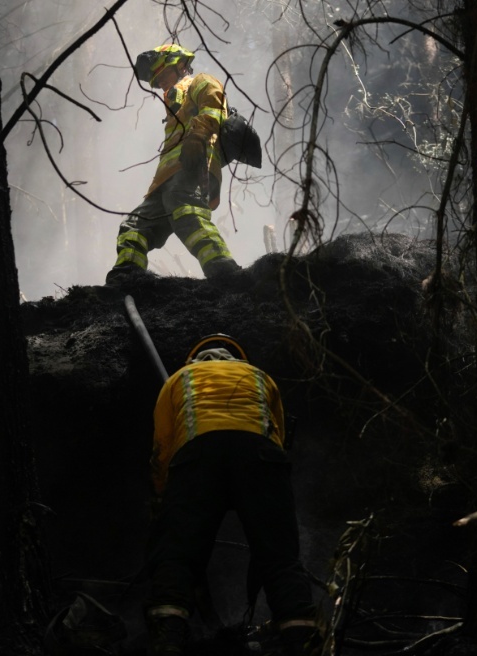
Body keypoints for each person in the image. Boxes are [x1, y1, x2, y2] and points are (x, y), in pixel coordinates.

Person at [144, 334, 319, 656]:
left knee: (178, 553)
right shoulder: (260, 377)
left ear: (194, 359)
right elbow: (278, 437)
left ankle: (167, 636)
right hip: (261, 459)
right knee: (280, 556)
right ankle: (301, 638)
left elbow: (163, 445)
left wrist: (160, 494)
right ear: (238, 358)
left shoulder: (179, 379)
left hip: (197, 459)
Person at [106, 45, 242, 284]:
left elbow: (214, 107)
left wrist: (198, 136)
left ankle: (224, 271)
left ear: (180, 66)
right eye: (157, 81)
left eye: (163, 75)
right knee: (134, 227)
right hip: (166, 181)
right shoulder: (174, 110)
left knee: (187, 212)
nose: (161, 83)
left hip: (194, 166)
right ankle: (126, 278)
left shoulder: (200, 81)